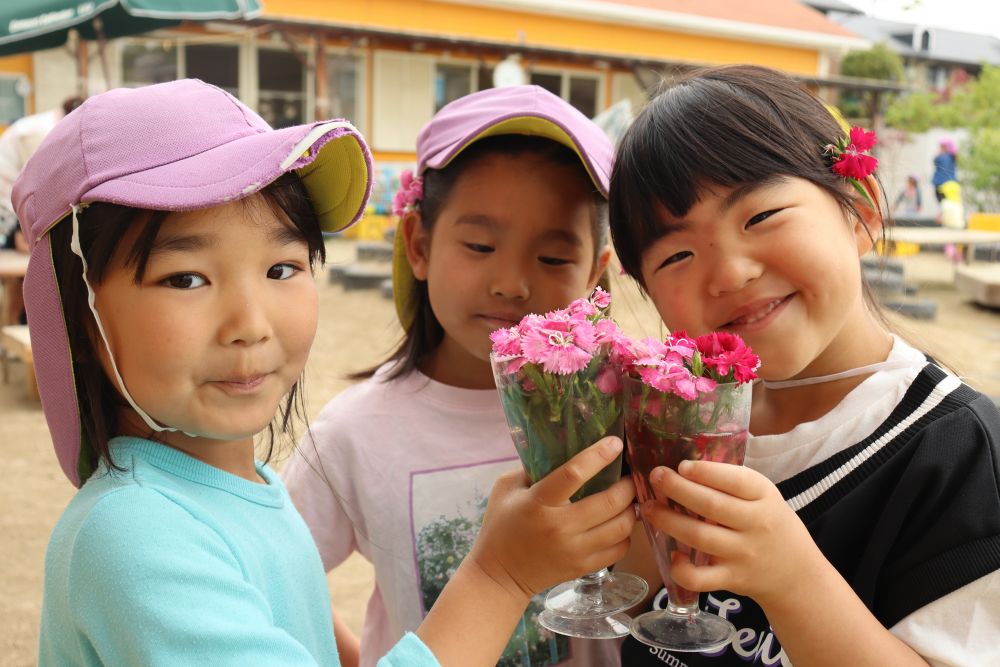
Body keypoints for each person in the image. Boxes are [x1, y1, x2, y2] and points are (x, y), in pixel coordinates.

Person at [13, 79, 637, 667]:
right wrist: (502, 576)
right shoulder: (134, 537)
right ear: (81, 315)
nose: (250, 323)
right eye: (186, 278)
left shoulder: (240, 490)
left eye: (281, 268)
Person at [607, 65, 1000, 665]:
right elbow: (622, 623)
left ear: (860, 212)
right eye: (678, 254)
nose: (731, 273)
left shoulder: (960, 454)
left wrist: (792, 582)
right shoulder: (669, 424)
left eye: (760, 217)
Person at [282, 85, 625, 667]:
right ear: (418, 245)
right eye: (480, 244)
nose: (512, 283)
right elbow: (278, 580)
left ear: (596, 274)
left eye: (552, 259)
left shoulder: (619, 410)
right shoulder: (356, 431)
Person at [0, 96, 84, 324]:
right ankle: (9, 334)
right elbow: (21, 236)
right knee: (20, 282)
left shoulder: (60, 130)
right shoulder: (41, 133)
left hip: (25, 202)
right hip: (10, 201)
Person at [931, 137, 957, 203]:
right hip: (951, 184)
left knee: (943, 203)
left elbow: (935, 162)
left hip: (941, 184)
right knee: (949, 203)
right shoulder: (952, 157)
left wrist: (938, 154)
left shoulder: (943, 157)